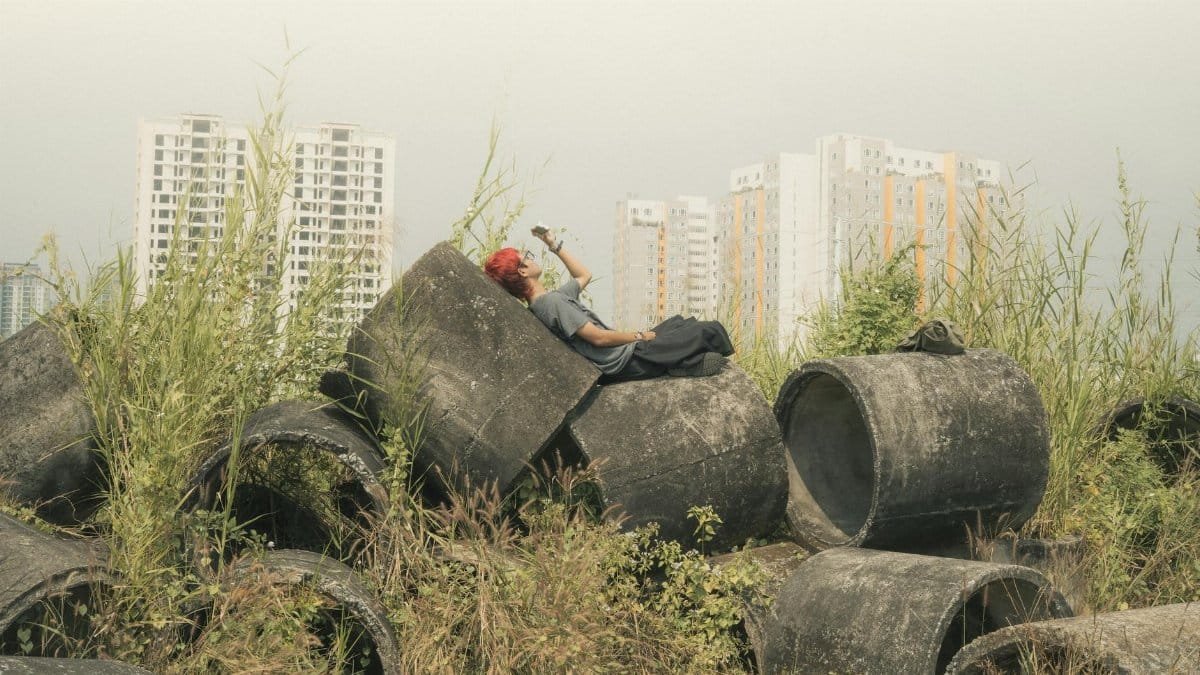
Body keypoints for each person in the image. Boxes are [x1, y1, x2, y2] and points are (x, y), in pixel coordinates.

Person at [484, 227, 734, 383]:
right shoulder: (550, 303)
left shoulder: (548, 302)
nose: (530, 257)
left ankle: (681, 364)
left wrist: (553, 244)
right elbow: (599, 338)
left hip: (623, 357)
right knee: (704, 330)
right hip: (625, 360)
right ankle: (679, 365)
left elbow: (583, 276)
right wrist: (639, 336)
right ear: (524, 270)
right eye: (526, 257)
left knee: (679, 323)